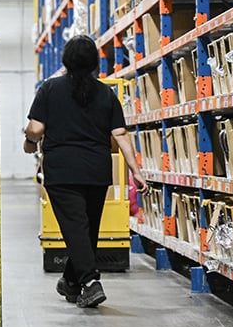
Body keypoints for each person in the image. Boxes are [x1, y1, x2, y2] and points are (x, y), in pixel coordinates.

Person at [24, 35, 147, 309]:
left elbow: (35, 129)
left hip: (62, 170)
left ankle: (90, 282)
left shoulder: (50, 89)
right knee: (87, 228)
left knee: (76, 227)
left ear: (66, 60)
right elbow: (121, 134)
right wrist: (135, 171)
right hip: (97, 170)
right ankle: (70, 282)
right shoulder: (105, 93)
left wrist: (29, 142)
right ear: (94, 63)